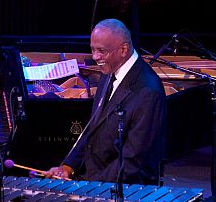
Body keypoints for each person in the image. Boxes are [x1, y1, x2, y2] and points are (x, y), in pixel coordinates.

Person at [45, 19, 166, 185]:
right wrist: (68, 167)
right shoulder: (109, 71)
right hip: (95, 179)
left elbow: (133, 160)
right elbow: (92, 130)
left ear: (123, 49)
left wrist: (89, 186)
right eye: (92, 50)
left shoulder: (148, 91)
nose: (95, 57)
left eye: (101, 51)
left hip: (123, 188)